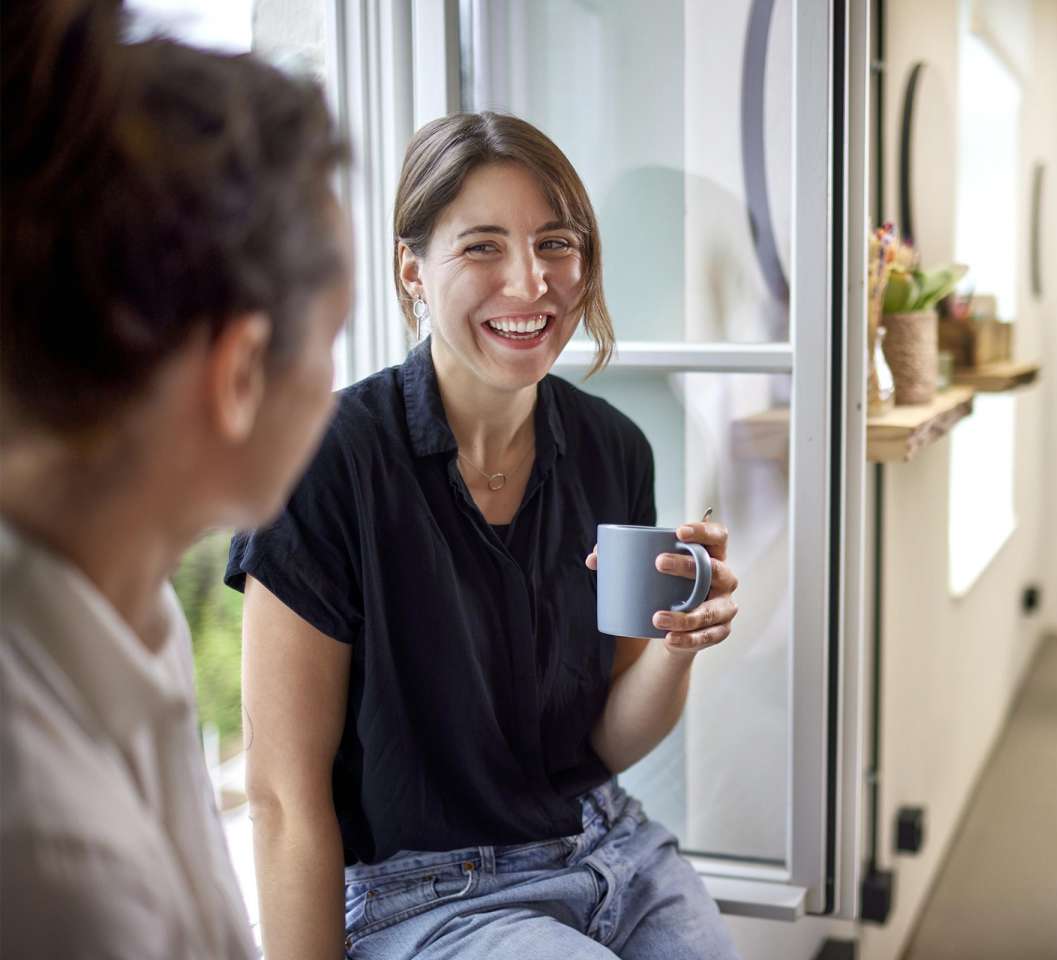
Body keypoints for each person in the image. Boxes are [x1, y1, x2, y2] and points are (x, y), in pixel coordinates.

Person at [227, 111, 743, 959]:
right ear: (413, 271)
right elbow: (283, 798)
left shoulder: (615, 449)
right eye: (482, 247)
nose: (531, 283)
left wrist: (678, 644)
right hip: (423, 898)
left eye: (555, 243)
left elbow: (606, 740)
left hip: (610, 850)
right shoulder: (324, 462)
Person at [0, 1, 353, 957]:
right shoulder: (55, 869)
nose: (338, 384)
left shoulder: (124, 617)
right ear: (240, 375)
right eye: (333, 338)